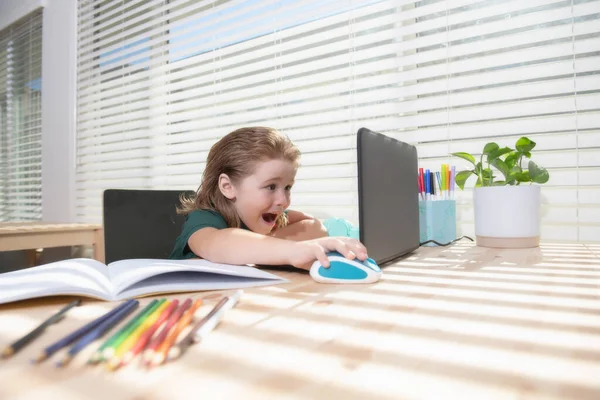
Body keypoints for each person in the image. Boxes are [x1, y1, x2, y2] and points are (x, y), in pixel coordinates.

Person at [169, 126, 369, 270]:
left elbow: (314, 225)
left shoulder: (263, 217)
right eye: (271, 186)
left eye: (288, 187)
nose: (283, 200)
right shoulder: (205, 217)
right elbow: (218, 243)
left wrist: (269, 245)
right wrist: (291, 250)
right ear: (228, 187)